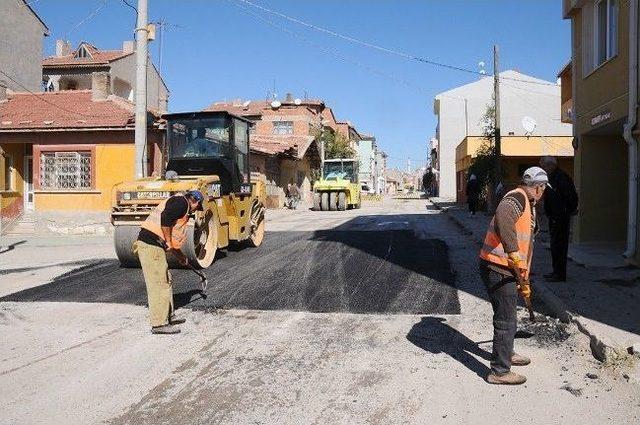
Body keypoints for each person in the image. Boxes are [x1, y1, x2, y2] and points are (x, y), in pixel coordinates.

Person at [479, 166, 548, 385]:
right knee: (506, 320)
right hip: (499, 266)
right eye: (544, 188)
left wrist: (523, 274)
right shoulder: (517, 198)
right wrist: (513, 252)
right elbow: (503, 216)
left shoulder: (527, 201)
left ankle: (506, 354)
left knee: (507, 315)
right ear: (538, 187)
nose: (544, 191)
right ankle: (499, 371)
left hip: (507, 268)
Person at [134, 190, 204, 334]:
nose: (196, 210)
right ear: (195, 202)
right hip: (150, 245)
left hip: (154, 244)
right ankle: (159, 324)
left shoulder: (181, 205)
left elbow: (171, 239)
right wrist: (167, 240)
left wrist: (180, 256)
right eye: (198, 206)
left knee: (166, 280)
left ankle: (169, 315)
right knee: (158, 284)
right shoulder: (181, 202)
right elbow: (165, 218)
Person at [540, 156, 578, 282]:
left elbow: (570, 196)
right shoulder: (552, 178)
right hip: (554, 216)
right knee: (555, 245)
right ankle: (556, 271)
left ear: (551, 165)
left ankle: (560, 274)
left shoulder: (560, 177)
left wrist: (568, 210)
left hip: (560, 216)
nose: (543, 169)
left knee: (560, 246)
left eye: (544, 166)